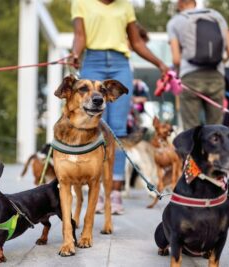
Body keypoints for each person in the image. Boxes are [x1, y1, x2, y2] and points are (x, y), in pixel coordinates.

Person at [71, 0, 168, 214]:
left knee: (118, 129)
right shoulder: (81, 3)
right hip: (93, 61)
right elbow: (80, 37)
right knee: (93, 128)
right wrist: (75, 54)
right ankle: (97, 190)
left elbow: (137, 42)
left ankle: (115, 193)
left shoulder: (125, 5)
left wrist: (160, 64)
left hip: (120, 64)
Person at [167, 0, 229, 130]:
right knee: (216, 128)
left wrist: (178, 76)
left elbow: (176, 59)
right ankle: (215, 150)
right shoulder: (216, 16)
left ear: (180, 3)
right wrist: (221, 63)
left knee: (191, 128)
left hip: (190, 77)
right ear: (194, 2)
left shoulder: (175, 22)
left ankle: (194, 150)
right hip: (216, 75)